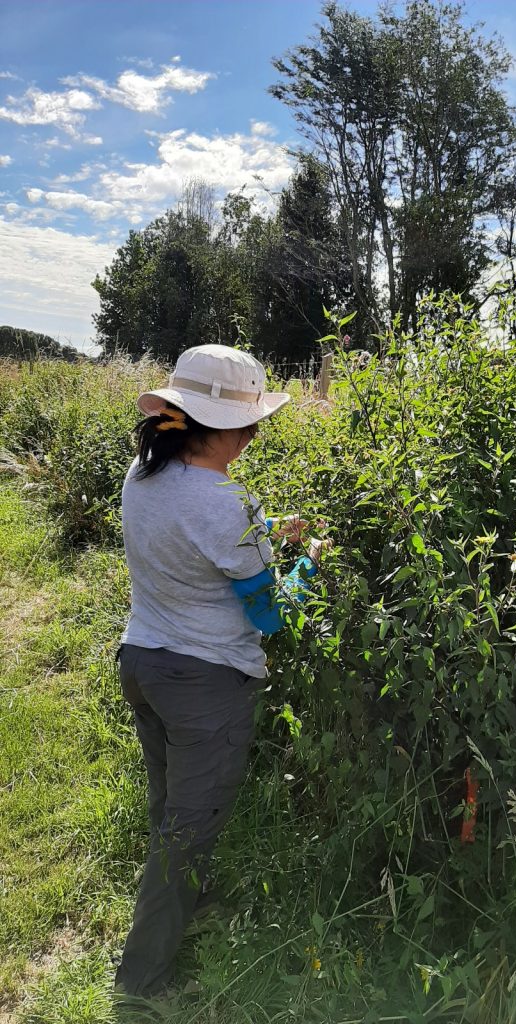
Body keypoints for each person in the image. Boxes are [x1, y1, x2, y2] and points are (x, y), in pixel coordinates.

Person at [115, 343, 326, 998]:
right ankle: (143, 982)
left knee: (169, 808)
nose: (255, 434)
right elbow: (271, 615)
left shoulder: (143, 476)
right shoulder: (224, 503)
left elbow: (202, 550)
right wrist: (310, 560)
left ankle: (188, 904)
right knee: (187, 830)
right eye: (252, 423)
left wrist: (270, 538)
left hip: (143, 662)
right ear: (231, 430)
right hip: (203, 685)